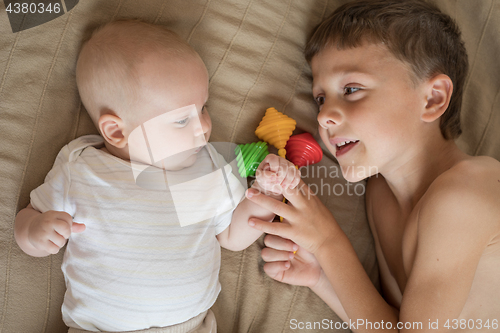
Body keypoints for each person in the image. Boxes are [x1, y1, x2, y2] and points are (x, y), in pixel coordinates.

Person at [13, 20, 300, 333]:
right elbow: (27, 219)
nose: (204, 126)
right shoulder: (82, 168)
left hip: (189, 327)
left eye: (203, 107)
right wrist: (35, 231)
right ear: (117, 131)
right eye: (181, 120)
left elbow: (232, 237)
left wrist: (266, 191)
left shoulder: (207, 167)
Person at [246, 0, 500, 332]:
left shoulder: (464, 195)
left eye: (351, 90)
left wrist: (328, 243)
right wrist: (321, 277)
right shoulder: (380, 195)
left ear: (433, 98)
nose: (323, 116)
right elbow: (392, 324)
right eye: (320, 98)